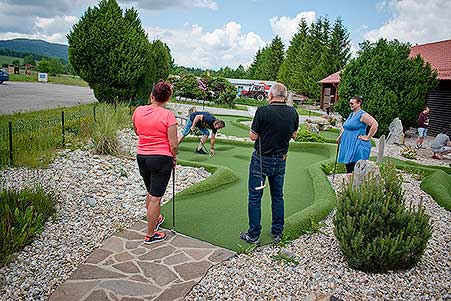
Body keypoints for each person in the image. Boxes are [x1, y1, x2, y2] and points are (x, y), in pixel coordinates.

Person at [240, 83, 299, 244]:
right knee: (278, 197)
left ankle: (253, 235)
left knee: (255, 197)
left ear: (271, 96)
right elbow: (294, 135)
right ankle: (277, 233)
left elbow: (253, 136)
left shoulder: (262, 111)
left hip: (261, 160)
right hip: (281, 159)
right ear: (285, 97)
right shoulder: (293, 112)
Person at [132, 81, 178, 244]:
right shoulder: (168, 115)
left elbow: (137, 131)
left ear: (152, 95)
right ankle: (150, 234)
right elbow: (173, 143)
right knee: (155, 198)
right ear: (167, 98)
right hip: (161, 158)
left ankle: (155, 218)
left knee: (151, 193)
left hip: (142, 156)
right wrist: (174, 156)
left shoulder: (138, 111)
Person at [336, 96, 378, 173]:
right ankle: (351, 183)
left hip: (357, 143)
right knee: (348, 165)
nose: (350, 105)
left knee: (354, 166)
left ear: (359, 103)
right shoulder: (352, 114)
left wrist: (368, 137)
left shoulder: (363, 115)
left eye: (352, 103)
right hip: (348, 143)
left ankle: (355, 184)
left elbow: (374, 124)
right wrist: (340, 136)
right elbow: (347, 127)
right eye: (349, 103)